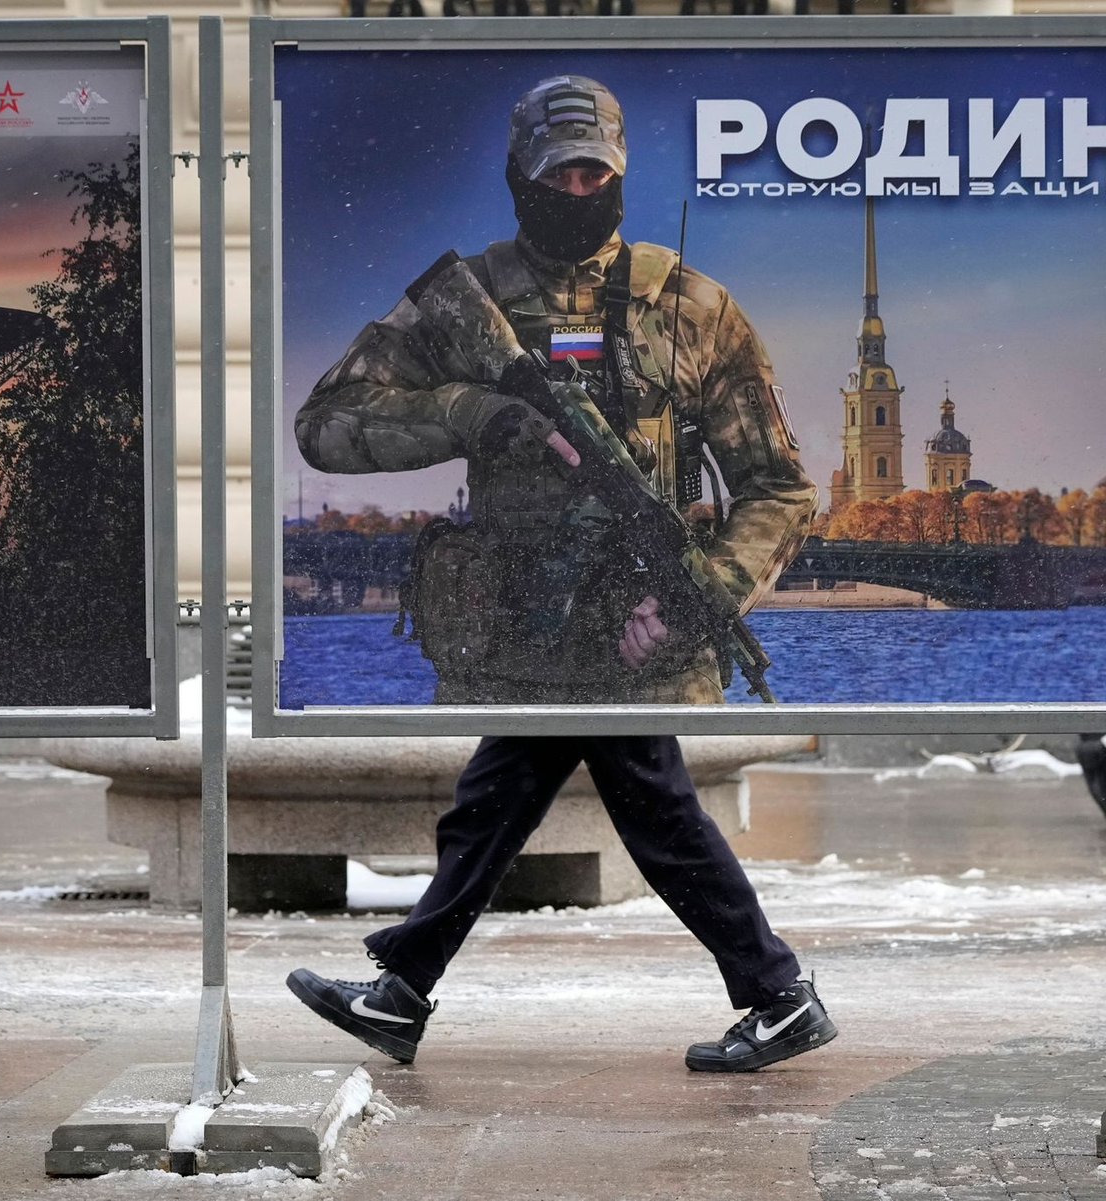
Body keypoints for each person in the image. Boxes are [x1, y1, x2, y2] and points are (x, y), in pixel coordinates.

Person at [286, 75, 835, 1073]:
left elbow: (781, 486)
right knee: (523, 802)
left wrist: (701, 592)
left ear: (619, 175)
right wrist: (464, 413)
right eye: (558, 172)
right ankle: (407, 991)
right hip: (518, 629)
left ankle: (776, 990)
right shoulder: (470, 302)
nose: (578, 189)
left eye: (596, 171)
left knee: (611, 810)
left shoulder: (693, 307)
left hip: (642, 637)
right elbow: (323, 426)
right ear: (518, 176)